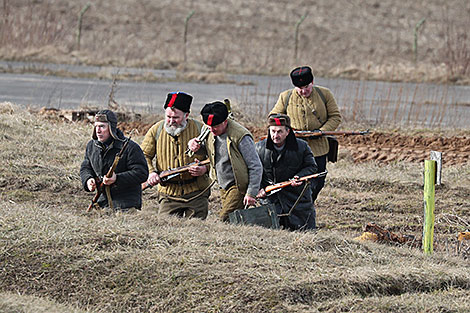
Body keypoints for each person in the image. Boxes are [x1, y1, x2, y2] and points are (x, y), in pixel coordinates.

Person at [270, 66, 342, 206]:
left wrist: (321, 131)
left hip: (319, 149)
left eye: (306, 87)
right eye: (299, 88)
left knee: (317, 183)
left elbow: (335, 117)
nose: (303, 91)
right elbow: (273, 117)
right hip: (294, 149)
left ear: (312, 82)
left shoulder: (325, 94)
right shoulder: (286, 97)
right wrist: (289, 131)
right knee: (294, 182)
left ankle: (307, 206)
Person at [140, 92, 212, 219]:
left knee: (197, 232)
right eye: (168, 117)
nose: (171, 121)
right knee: (166, 230)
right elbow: (143, 155)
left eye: (176, 118)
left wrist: (204, 169)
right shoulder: (156, 130)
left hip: (197, 193)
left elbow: (215, 157)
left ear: (186, 115)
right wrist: (151, 172)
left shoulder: (202, 129)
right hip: (168, 194)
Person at [188, 101, 263, 221]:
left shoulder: (241, 136)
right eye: (209, 126)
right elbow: (209, 152)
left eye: (215, 126)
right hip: (222, 185)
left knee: (223, 219)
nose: (212, 130)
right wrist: (195, 148)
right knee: (234, 220)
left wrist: (251, 193)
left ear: (225, 121)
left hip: (238, 185)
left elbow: (256, 166)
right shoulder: (207, 129)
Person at [256, 114, 318, 230]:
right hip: (271, 198)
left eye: (279, 132)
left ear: (288, 132)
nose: (275, 135)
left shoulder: (302, 146)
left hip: (297, 197)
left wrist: (299, 177)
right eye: (273, 131)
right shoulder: (259, 148)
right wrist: (259, 189)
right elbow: (255, 171)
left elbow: (312, 167)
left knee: (304, 231)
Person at [80, 109, 149, 212]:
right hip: (102, 201)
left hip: (127, 204)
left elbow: (141, 173)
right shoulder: (92, 146)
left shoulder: (130, 147)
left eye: (102, 126)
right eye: (96, 126)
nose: (98, 131)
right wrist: (88, 180)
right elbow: (86, 167)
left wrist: (117, 178)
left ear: (111, 128)